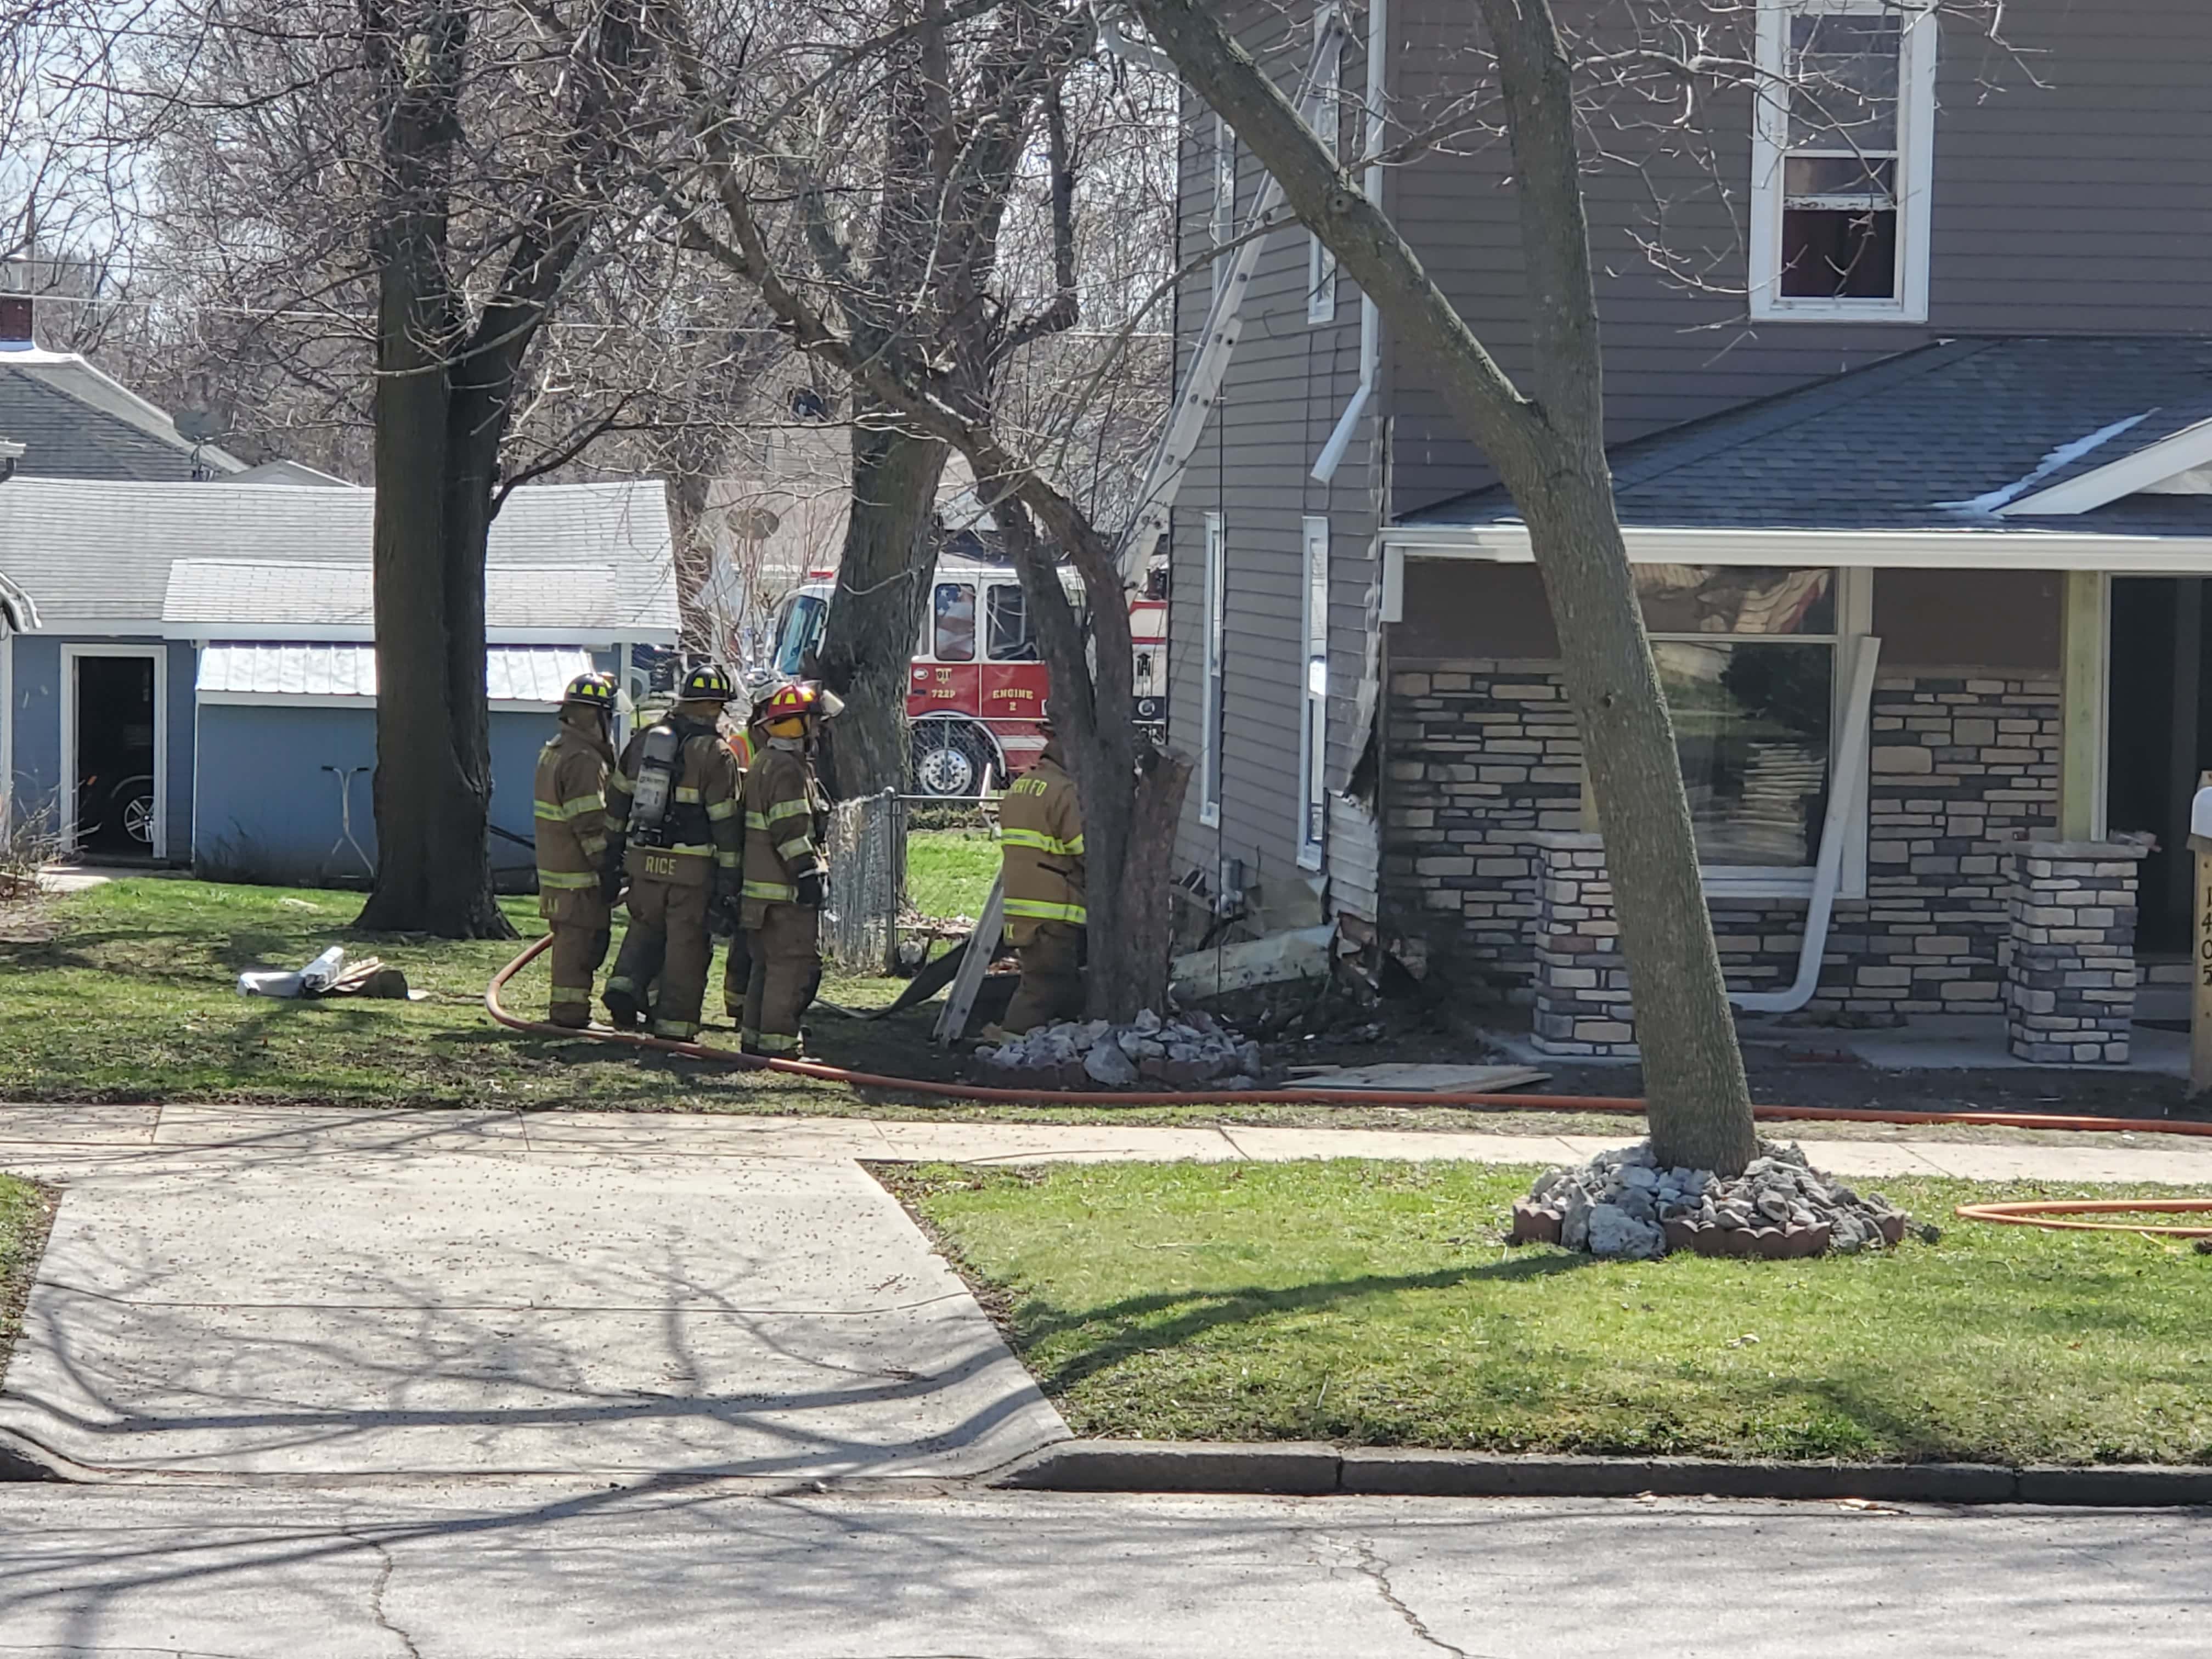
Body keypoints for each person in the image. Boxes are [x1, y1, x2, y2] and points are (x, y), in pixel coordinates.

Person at [601, 664, 745, 1039]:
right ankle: (674, 1026)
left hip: (643, 860)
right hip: (691, 869)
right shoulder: (717, 754)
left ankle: (624, 984)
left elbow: (618, 799)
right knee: (687, 944)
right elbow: (726, 823)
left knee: (645, 926)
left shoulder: (646, 740)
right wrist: (730, 878)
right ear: (715, 706)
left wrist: (612, 856)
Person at [736, 679, 839, 1057]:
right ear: (798, 725)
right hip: (784, 894)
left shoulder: (765, 760)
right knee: (790, 968)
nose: (820, 730)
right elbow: (791, 830)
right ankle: (780, 1047)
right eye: (815, 722)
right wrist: (809, 873)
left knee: (766, 968)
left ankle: (755, 1039)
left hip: (761, 896)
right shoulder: (788, 770)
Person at [531, 671, 619, 1028]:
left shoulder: (556, 750)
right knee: (579, 945)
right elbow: (590, 824)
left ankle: (569, 1010)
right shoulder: (583, 759)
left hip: (558, 871)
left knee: (572, 941)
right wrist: (608, 867)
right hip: (578, 875)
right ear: (596, 716)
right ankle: (569, 1014)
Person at [997, 724, 1086, 1032]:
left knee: (1049, 982)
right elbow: (1086, 851)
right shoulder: (1064, 792)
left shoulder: (1022, 787)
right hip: (1053, 911)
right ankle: (1011, 1046)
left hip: (1023, 909)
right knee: (1043, 989)